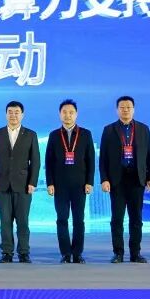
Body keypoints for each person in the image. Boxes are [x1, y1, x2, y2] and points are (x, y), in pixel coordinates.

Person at [99, 96, 150, 263]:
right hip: (116, 181)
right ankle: (118, 253)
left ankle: (135, 253)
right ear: (117, 110)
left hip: (137, 180)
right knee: (117, 219)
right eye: (122, 107)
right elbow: (103, 158)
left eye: (128, 107)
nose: (125, 110)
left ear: (133, 109)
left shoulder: (143, 129)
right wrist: (104, 179)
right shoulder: (109, 130)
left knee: (136, 219)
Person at [0, 101, 40, 263]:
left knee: (23, 221)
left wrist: (32, 182)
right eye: (10, 112)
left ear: (22, 115)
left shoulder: (30, 134)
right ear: (6, 114)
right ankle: (7, 253)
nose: (13, 115)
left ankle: (24, 252)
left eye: (16, 112)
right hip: (1, 184)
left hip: (23, 185)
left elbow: (36, 161)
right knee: (5, 221)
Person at [45, 99, 95, 264]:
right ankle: (66, 253)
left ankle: (77, 253)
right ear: (60, 114)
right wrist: (50, 183)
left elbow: (90, 160)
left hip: (80, 185)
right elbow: (49, 162)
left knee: (79, 220)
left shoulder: (85, 134)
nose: (68, 115)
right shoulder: (54, 135)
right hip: (60, 185)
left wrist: (89, 182)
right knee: (62, 219)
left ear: (76, 114)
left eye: (71, 112)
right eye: (64, 112)